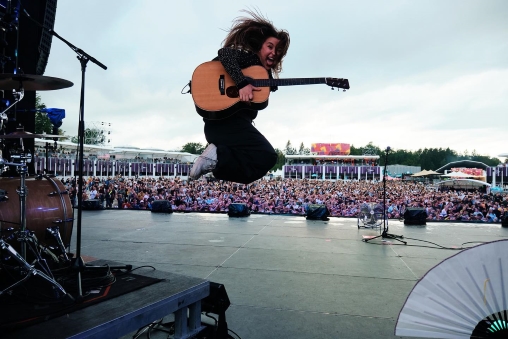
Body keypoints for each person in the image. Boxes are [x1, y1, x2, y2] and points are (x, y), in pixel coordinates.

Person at [189, 10, 290, 184]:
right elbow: (225, 54)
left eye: (279, 50)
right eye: (270, 46)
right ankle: (218, 157)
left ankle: (217, 158)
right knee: (267, 156)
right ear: (260, 46)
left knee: (261, 159)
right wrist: (242, 83)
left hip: (228, 129)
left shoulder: (261, 74)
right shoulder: (249, 59)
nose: (274, 52)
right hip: (226, 124)